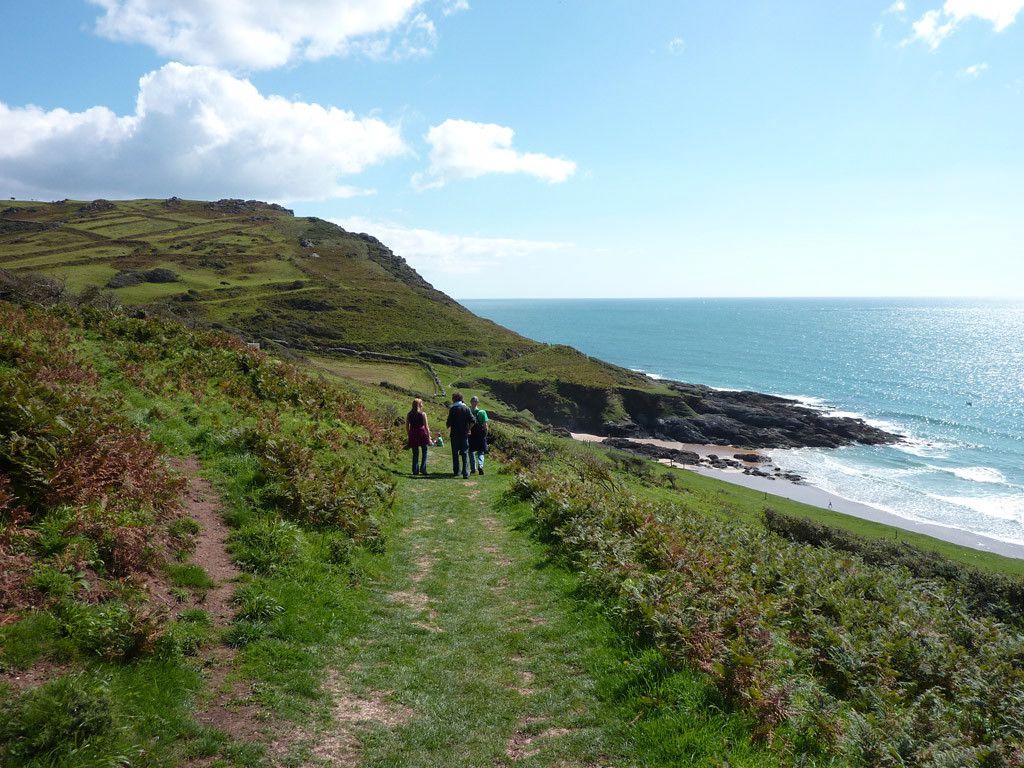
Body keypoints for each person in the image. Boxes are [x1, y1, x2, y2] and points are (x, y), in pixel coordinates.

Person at [445, 392, 474, 479]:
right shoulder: (466, 408)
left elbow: (448, 423)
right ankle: (465, 473)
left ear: (454, 399)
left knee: (455, 453)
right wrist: (469, 429)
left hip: (454, 434)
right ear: (461, 398)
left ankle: (457, 471)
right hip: (464, 434)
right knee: (465, 453)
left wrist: (448, 425)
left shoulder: (452, 409)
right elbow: (473, 420)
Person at [406, 398, 431, 476]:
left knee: (415, 453)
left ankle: (415, 470)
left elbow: (407, 426)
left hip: (413, 433)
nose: (422, 404)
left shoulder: (409, 414)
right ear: (419, 405)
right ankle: (423, 469)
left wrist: (409, 434)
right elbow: (426, 427)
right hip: (422, 433)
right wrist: (429, 437)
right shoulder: (423, 414)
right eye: (422, 403)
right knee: (425, 451)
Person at [468, 395, 489, 475]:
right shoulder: (482, 412)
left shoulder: (468, 411)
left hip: (471, 434)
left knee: (471, 451)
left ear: (471, 402)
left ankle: (473, 469)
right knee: (481, 452)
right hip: (480, 434)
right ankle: (480, 465)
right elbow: (485, 426)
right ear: (477, 403)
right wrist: (485, 434)